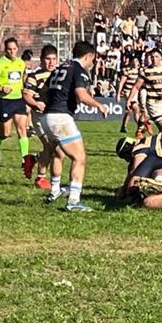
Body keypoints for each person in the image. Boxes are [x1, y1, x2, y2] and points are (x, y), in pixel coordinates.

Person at [41, 41, 109, 211]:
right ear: (89, 56)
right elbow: (81, 95)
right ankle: (73, 201)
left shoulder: (59, 68)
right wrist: (99, 105)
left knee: (57, 153)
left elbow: (44, 91)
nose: (92, 63)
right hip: (61, 118)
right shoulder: (78, 69)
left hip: (47, 117)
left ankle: (54, 190)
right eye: (92, 59)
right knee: (79, 158)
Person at [0, 37, 31, 169]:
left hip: (18, 99)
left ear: (17, 49)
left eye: (14, 49)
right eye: (9, 49)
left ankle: (25, 160)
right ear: (5, 50)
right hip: (3, 100)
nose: (12, 51)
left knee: (22, 129)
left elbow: (23, 78)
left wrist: (26, 88)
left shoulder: (21, 63)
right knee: (5, 133)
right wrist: (0, 88)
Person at [21, 44, 60, 189]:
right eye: (48, 59)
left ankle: (33, 160)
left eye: (54, 59)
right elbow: (26, 96)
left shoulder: (60, 74)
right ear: (42, 60)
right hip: (39, 117)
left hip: (55, 116)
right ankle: (41, 178)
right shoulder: (34, 76)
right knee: (51, 146)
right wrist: (37, 104)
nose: (51, 62)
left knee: (54, 147)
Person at [116, 56, 143, 135]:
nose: (135, 63)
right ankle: (140, 127)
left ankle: (123, 127)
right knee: (135, 108)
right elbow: (121, 82)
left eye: (136, 61)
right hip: (127, 92)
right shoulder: (127, 71)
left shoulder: (140, 71)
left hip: (136, 92)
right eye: (134, 61)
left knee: (128, 111)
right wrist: (118, 94)